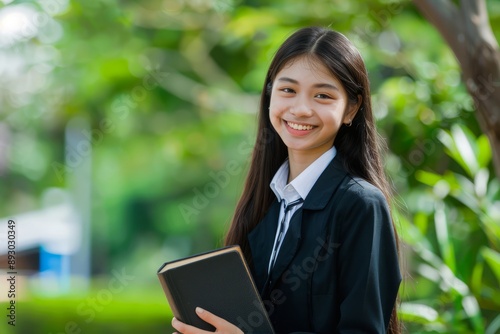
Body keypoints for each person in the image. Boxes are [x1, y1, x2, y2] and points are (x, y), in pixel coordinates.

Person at [172, 26, 402, 334]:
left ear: (351, 108)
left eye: (322, 95)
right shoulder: (264, 202)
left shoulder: (360, 205)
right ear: (269, 94)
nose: (301, 109)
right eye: (288, 90)